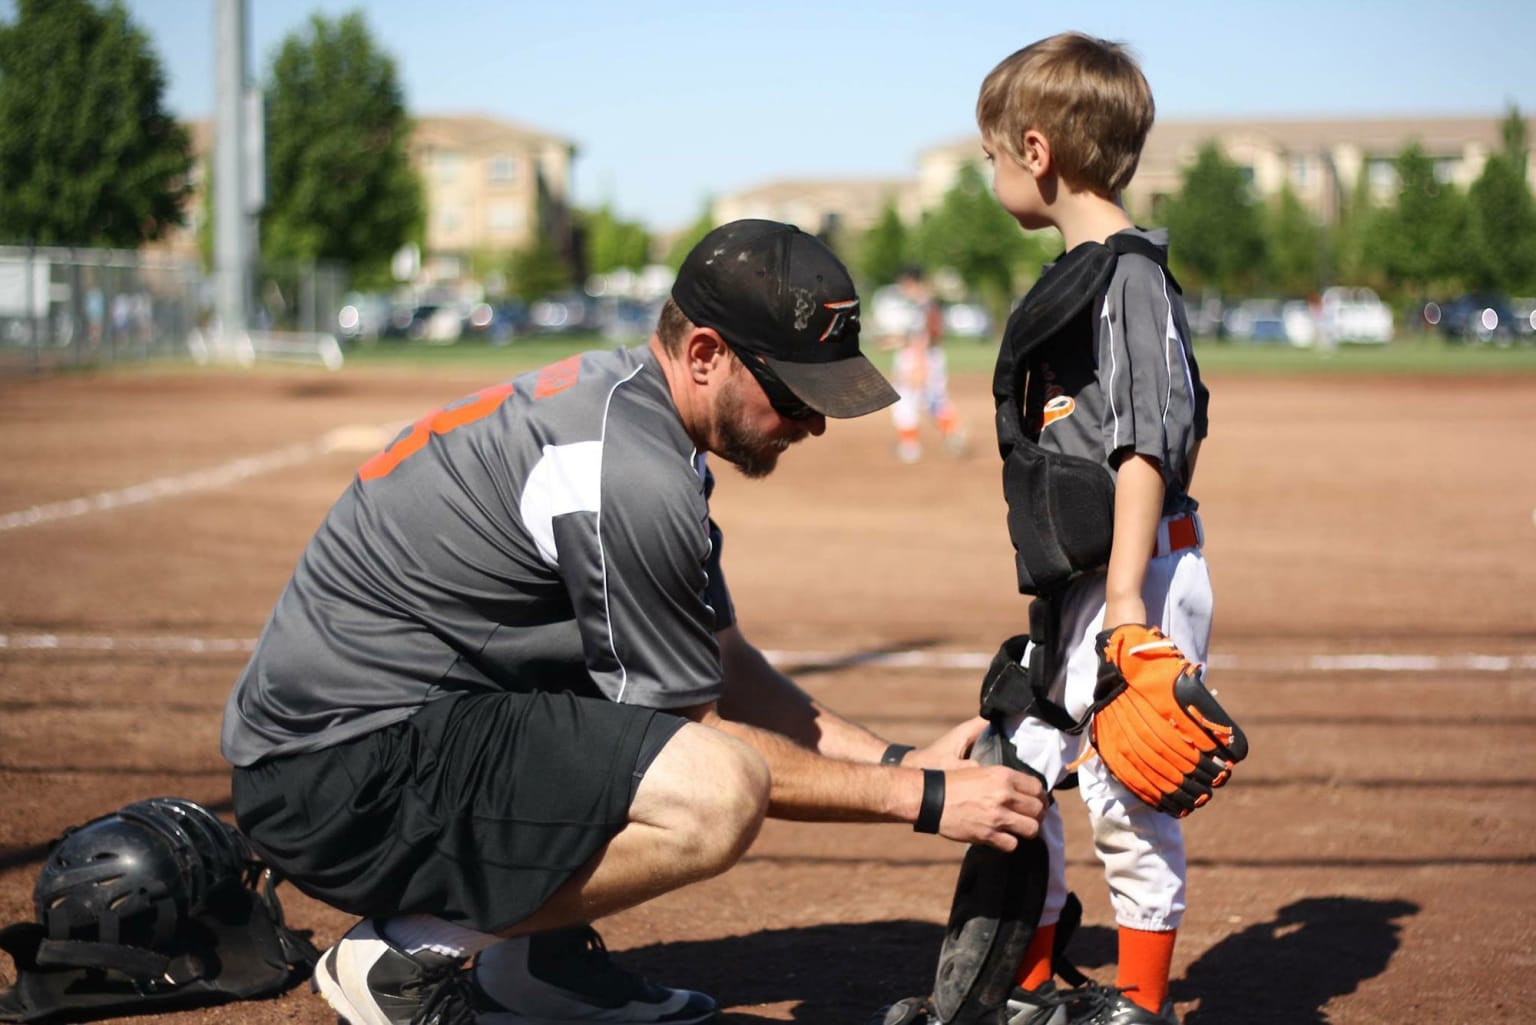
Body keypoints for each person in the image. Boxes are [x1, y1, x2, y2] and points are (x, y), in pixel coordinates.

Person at [220, 219, 1049, 1025]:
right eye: (796, 394)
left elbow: (722, 664)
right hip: (336, 771)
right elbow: (695, 733)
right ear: (704, 354)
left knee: (637, 683)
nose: (814, 424)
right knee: (717, 791)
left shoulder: (635, 412)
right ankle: (411, 952)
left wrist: (901, 759)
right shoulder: (630, 471)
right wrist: (921, 796)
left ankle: (531, 961)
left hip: (380, 736)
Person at [972, 34, 1212, 1025]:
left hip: (1138, 577)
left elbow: (1147, 446)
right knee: (1017, 755)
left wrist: (1123, 608)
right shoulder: (1078, 276)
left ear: (1037, 151)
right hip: (1085, 581)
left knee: (1124, 785)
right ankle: (1026, 978)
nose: (990, 173)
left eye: (990, 155)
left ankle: (1141, 1003)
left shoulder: (1128, 278)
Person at [884, 266, 967, 463]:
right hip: (925, 357)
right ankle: (953, 433)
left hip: (921, 358)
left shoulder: (924, 305)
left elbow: (925, 338)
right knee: (932, 401)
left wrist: (919, 366)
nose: (902, 287)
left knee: (906, 401)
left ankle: (909, 448)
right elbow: (916, 335)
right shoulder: (922, 304)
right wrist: (894, 342)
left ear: (911, 282)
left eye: (904, 283)